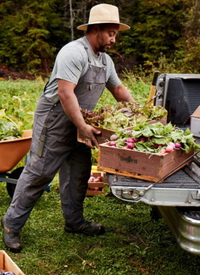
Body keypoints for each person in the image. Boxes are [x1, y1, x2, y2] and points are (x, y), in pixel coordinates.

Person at [1, 3, 137, 253]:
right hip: (55, 119)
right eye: (111, 33)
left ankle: (74, 223)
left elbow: (118, 89)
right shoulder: (73, 52)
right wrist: (83, 126)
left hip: (80, 123)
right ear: (95, 29)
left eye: (116, 34)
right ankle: (11, 224)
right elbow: (65, 93)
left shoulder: (105, 61)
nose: (114, 40)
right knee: (39, 173)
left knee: (78, 172)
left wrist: (140, 113)